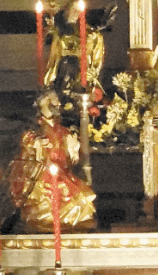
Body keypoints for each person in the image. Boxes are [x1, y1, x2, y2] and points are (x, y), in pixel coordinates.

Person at [9, 91, 97, 232]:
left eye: (57, 102)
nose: (58, 104)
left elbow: (71, 160)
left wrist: (73, 149)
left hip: (63, 176)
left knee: (81, 203)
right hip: (42, 179)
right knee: (43, 207)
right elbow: (25, 160)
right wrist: (36, 147)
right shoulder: (33, 134)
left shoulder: (65, 132)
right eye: (53, 101)